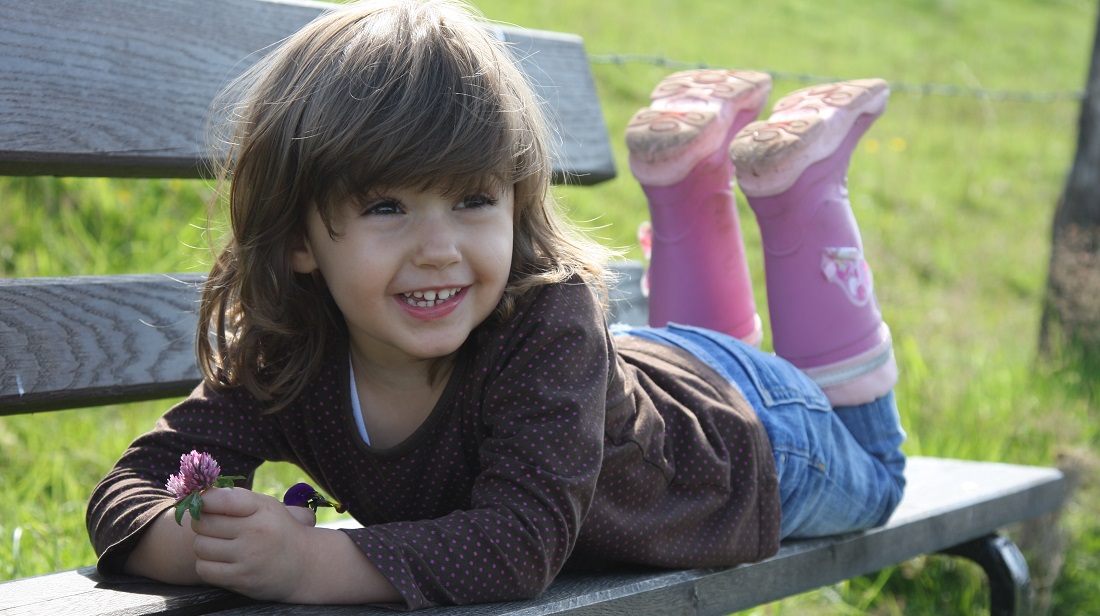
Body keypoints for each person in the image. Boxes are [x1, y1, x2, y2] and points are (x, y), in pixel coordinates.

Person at [86, 0, 906, 609]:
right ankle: (691, 183)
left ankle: (802, 195)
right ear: (301, 240)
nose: (439, 246)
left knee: (878, 468)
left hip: (751, 443)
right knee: (692, 354)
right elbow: (127, 490)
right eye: (386, 207)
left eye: (473, 200)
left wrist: (309, 566)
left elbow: (519, 545)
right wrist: (212, 548)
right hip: (636, 382)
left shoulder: (545, 322)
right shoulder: (288, 354)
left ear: (516, 202)